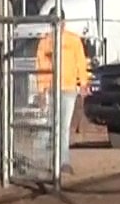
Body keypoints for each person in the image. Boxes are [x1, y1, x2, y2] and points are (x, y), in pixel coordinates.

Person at [35, 9, 92, 174]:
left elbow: (81, 62)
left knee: (64, 126)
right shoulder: (45, 42)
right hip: (52, 89)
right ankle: (44, 160)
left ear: (64, 22)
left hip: (68, 89)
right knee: (51, 124)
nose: (57, 25)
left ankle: (63, 162)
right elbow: (41, 67)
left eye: (59, 21)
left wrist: (83, 84)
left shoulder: (73, 40)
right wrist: (42, 90)